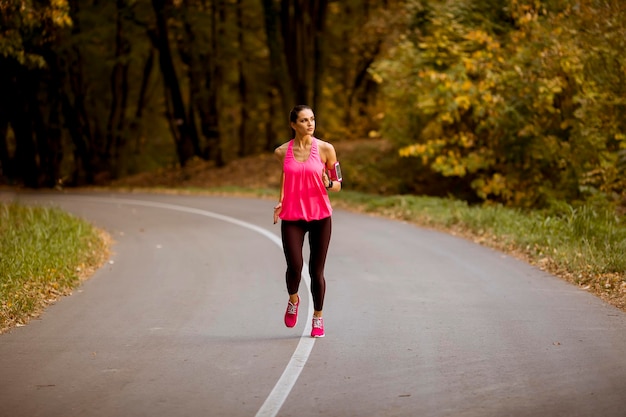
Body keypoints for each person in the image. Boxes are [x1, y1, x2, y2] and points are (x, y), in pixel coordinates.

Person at [273, 105, 341, 338]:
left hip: (320, 216)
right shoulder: (281, 152)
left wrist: (328, 183)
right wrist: (280, 200)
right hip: (292, 216)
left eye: (312, 119)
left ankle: (318, 318)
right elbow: (285, 177)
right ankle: (294, 300)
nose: (310, 124)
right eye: (304, 120)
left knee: (316, 271)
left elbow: (339, 183)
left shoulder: (326, 149)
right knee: (295, 265)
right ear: (293, 124)